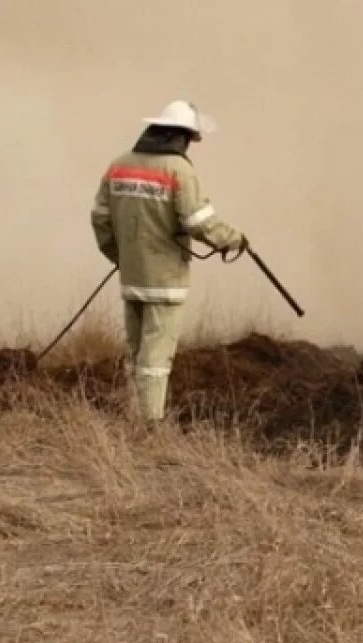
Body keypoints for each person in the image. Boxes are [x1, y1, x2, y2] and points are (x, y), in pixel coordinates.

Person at [90, 100, 246, 422]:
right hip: (165, 282)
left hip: (132, 277)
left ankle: (134, 414)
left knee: (136, 353)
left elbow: (100, 219)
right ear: (182, 136)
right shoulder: (179, 171)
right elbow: (198, 222)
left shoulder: (118, 165)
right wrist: (233, 239)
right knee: (156, 357)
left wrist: (121, 257)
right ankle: (150, 426)